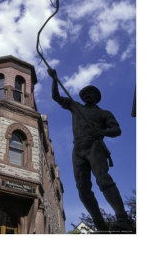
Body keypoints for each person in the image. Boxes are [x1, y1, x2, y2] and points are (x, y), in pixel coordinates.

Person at [47, 68, 131, 232]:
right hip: (78, 149)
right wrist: (54, 79)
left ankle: (122, 218)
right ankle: (100, 223)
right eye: (85, 93)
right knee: (82, 188)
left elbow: (117, 130)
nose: (88, 95)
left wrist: (102, 132)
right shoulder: (76, 107)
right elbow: (56, 97)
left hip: (95, 146)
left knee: (103, 180)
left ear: (96, 97)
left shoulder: (104, 113)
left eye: (91, 93)